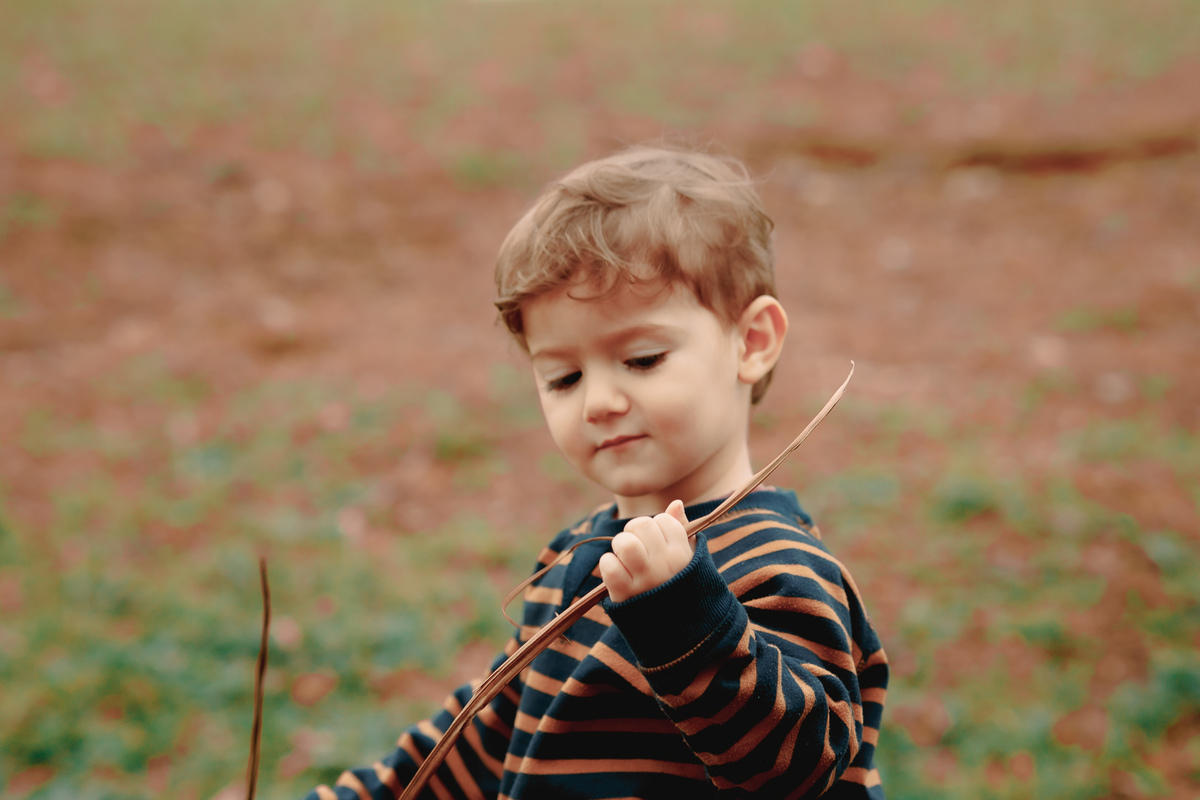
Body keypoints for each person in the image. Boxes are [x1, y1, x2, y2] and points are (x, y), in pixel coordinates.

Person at [306, 145, 888, 800]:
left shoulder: (779, 565)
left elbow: (797, 769)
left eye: (641, 359)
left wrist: (684, 614)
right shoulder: (575, 560)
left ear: (751, 342)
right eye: (564, 376)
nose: (599, 401)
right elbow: (485, 738)